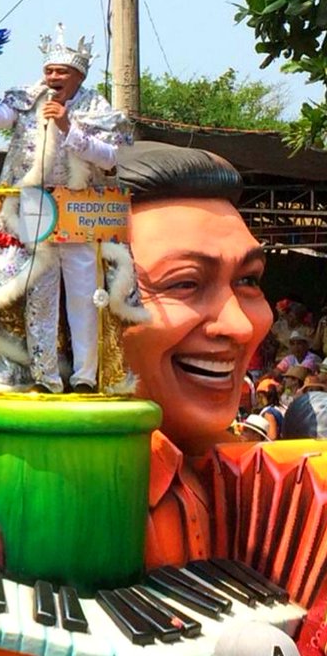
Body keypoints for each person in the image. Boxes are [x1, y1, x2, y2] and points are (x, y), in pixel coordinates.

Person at [0, 25, 134, 394]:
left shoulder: (98, 108)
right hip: (34, 204)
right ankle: (46, 376)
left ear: (79, 76)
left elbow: (110, 159)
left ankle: (84, 376)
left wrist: (66, 126)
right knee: (38, 290)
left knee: (84, 293)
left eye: (61, 72)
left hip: (78, 206)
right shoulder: (29, 98)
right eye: (49, 71)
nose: (53, 78)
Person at [117, 142, 272, 568]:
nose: (240, 325)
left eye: (249, 280)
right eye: (184, 283)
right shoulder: (83, 497)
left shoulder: (265, 484)